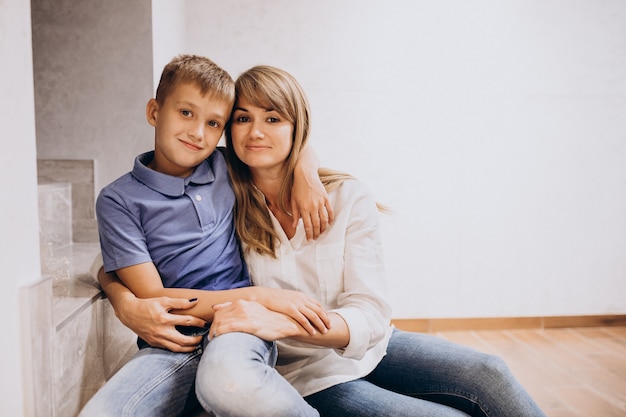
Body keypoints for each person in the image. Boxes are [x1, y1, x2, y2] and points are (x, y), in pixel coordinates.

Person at [198, 65, 548, 417]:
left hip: (372, 347)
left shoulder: (347, 196)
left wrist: (305, 167)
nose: (256, 132)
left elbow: (370, 310)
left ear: (296, 126)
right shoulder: (222, 199)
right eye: (243, 119)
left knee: (490, 370)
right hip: (307, 375)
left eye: (273, 119)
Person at [79, 55, 332, 417]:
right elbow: (155, 298)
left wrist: (307, 173)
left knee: (231, 385)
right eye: (186, 113)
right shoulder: (119, 199)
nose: (198, 133)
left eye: (213, 123)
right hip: (172, 340)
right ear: (154, 111)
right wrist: (263, 296)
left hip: (240, 327)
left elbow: (286, 140)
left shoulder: (225, 165)